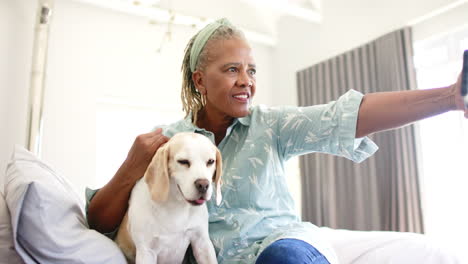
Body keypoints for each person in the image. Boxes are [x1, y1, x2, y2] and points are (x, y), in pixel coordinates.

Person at [86, 18, 467, 264]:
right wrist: (131, 164)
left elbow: (349, 116)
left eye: (251, 70)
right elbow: (100, 219)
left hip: (283, 248)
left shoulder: (271, 125)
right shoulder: (168, 145)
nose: (246, 81)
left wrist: (450, 98)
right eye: (232, 70)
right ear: (200, 80)